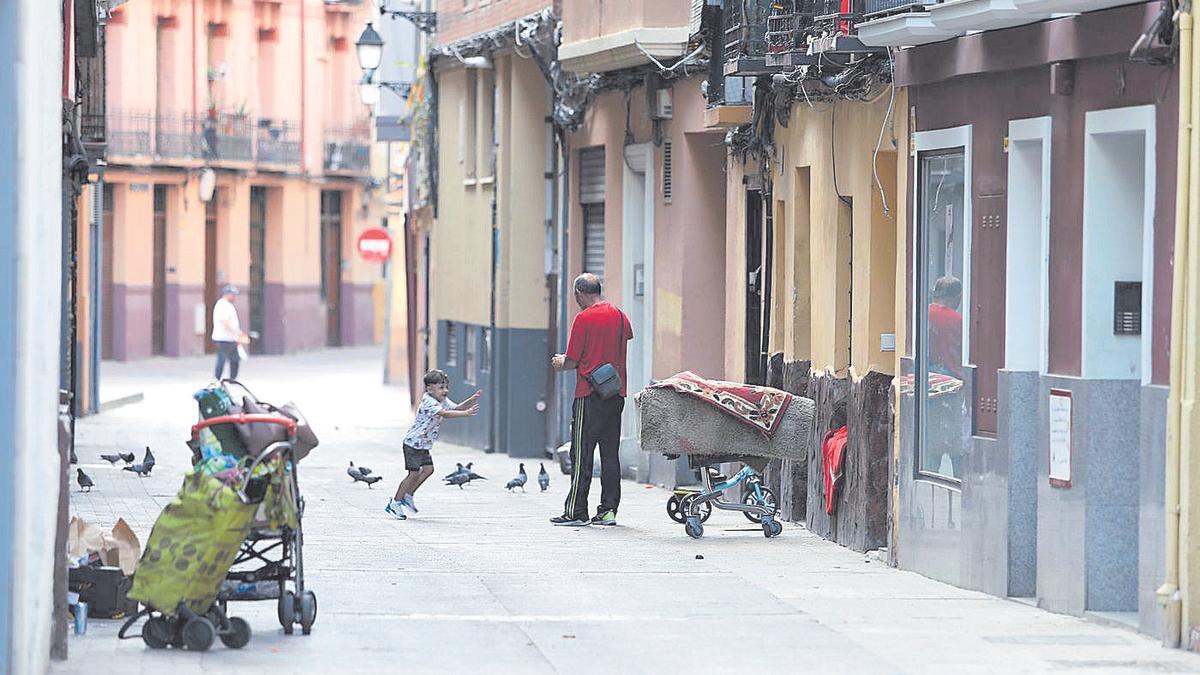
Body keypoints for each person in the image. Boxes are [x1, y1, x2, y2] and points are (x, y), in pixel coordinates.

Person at [549, 273, 633, 527]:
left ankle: (576, 510)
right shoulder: (619, 315)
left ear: (579, 293)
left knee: (581, 453)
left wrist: (559, 362)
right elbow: (625, 338)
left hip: (589, 395)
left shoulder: (583, 319)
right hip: (615, 394)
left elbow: (573, 361)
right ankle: (608, 511)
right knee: (610, 455)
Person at [386, 369, 482, 520]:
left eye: (446, 387)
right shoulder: (429, 401)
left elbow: (456, 408)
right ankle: (395, 502)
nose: (445, 391)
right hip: (413, 443)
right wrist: (467, 413)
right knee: (413, 474)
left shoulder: (441, 400)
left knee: (428, 469)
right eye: (441, 387)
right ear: (430, 389)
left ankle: (408, 495)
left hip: (423, 444)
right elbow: (445, 414)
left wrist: (471, 400)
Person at [928, 275, 964, 380]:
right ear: (957, 298)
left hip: (925, 373)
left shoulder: (921, 314)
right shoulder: (956, 319)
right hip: (950, 375)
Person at [212, 285, 248, 380]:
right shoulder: (222, 305)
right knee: (222, 360)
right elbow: (225, 321)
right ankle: (217, 380)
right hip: (223, 338)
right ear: (228, 294)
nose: (235, 297)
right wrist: (237, 332)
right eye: (233, 294)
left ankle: (232, 379)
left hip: (230, 338)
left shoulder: (227, 305)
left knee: (235, 359)